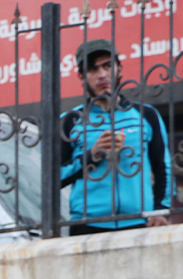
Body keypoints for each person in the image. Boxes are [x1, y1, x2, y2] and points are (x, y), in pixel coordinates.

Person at [59, 39, 173, 236]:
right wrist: (92, 154)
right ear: (81, 77)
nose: (102, 75)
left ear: (119, 69)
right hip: (86, 225)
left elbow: (163, 167)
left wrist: (161, 211)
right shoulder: (70, 121)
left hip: (140, 223)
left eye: (107, 66)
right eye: (93, 69)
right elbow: (54, 177)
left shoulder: (146, 115)